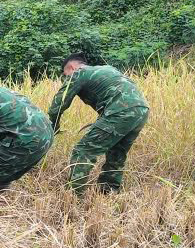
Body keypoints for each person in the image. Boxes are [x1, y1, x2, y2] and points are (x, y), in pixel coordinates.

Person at [47, 54, 149, 194]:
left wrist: (53, 127)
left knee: (83, 151)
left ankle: (75, 195)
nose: (66, 78)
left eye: (66, 75)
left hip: (120, 110)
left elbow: (58, 105)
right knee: (116, 153)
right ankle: (109, 191)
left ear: (71, 67)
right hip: (141, 110)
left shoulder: (79, 73)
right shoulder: (108, 69)